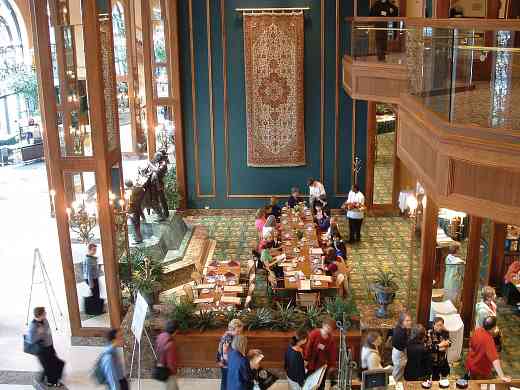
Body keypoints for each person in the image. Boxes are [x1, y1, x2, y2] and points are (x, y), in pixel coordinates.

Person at [465, 316, 511, 382]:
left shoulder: (477, 331)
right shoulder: (488, 340)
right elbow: (495, 360)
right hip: (480, 370)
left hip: (471, 364)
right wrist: (502, 376)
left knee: (472, 382)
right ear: (494, 328)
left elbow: (471, 346)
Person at [28, 307, 65, 387]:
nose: (46, 314)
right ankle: (51, 382)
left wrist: (51, 346)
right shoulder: (33, 326)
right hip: (42, 351)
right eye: (44, 313)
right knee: (49, 367)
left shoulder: (45, 320)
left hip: (49, 347)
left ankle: (46, 378)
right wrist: (39, 334)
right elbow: (31, 340)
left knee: (58, 364)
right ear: (40, 315)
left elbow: (48, 333)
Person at [304, 318, 338, 390]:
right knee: (310, 382)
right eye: (328, 327)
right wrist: (306, 359)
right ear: (323, 325)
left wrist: (332, 365)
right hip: (311, 363)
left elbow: (332, 353)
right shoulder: (314, 333)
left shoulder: (331, 339)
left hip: (322, 365)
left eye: (331, 329)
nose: (329, 330)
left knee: (321, 384)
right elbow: (308, 347)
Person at [216, 319, 244, 390]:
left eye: (241, 331)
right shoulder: (227, 339)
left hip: (225, 362)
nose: (239, 333)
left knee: (226, 380)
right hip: (225, 364)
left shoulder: (229, 334)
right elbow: (225, 354)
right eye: (237, 331)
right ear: (231, 329)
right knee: (225, 381)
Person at [475, 286, 502, 351]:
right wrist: (494, 332)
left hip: (491, 329)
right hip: (484, 334)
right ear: (488, 297)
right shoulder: (483, 311)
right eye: (493, 294)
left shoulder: (492, 304)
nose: (495, 295)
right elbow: (483, 326)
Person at [156, 320, 179, 390]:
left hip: (160, 367)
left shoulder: (160, 336)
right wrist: (175, 373)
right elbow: (171, 363)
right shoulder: (171, 344)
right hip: (168, 373)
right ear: (175, 331)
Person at [391, 311, 412, 382]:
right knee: (397, 374)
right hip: (399, 354)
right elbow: (402, 345)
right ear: (402, 321)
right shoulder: (400, 333)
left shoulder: (400, 327)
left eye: (410, 320)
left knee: (399, 372)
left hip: (397, 352)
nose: (410, 322)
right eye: (407, 321)